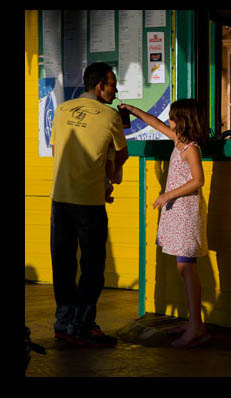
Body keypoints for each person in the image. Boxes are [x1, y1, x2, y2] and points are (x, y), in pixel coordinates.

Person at [118, 99, 211, 349]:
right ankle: (195, 322)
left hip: (186, 211)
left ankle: (196, 327)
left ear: (183, 121)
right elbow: (155, 123)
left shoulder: (190, 148)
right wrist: (134, 110)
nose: (168, 121)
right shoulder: (178, 141)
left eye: (173, 118)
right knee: (184, 267)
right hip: (178, 212)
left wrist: (167, 195)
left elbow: (198, 180)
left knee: (186, 267)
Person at [50, 62, 129, 347]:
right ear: (100, 87)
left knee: (63, 264)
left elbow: (56, 150)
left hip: (60, 199)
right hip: (89, 203)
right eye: (113, 85)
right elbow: (122, 155)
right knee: (93, 267)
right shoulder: (110, 117)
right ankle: (82, 326)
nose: (115, 90)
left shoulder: (60, 111)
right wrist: (107, 179)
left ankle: (63, 324)